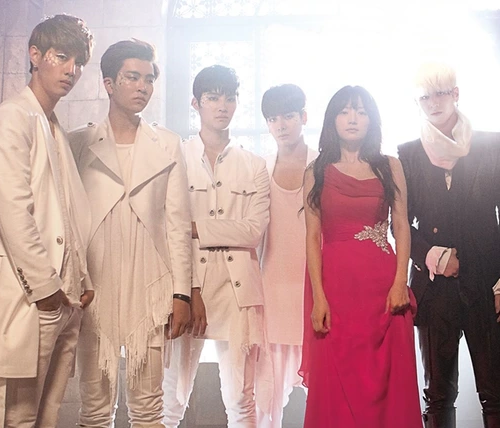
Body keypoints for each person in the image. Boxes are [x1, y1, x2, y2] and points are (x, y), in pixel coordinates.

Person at [0, 14, 94, 428]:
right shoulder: (12, 116)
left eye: (78, 62)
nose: (71, 70)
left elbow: (66, 213)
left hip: (64, 301)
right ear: (35, 55)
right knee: (12, 418)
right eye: (61, 57)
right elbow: (14, 211)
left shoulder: (53, 125)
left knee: (46, 418)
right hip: (31, 297)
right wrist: (47, 292)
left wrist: (81, 279)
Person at [69, 39, 192, 427]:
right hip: (95, 283)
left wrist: (182, 293)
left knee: (149, 407)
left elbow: (178, 224)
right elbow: (68, 221)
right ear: (109, 83)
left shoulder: (167, 143)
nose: (143, 87)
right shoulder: (78, 142)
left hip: (150, 281)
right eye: (133, 77)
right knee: (93, 407)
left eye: (149, 79)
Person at [397, 63, 500, 428]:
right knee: (437, 394)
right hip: (434, 290)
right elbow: (399, 223)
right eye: (424, 97)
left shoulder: (492, 144)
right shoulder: (408, 154)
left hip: (487, 283)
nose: (433, 103)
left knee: (497, 392)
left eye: (440, 93)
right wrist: (433, 256)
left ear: (455, 94)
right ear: (416, 102)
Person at [299, 85, 422, 427]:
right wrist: (318, 298)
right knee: (336, 385)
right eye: (344, 111)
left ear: (372, 120)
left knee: (390, 384)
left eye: (361, 112)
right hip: (335, 291)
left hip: (383, 289)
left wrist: (400, 283)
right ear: (332, 119)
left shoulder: (390, 166)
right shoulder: (315, 171)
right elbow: (312, 237)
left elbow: (402, 227)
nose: (353, 118)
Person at [162, 65, 271, 428]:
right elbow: (168, 228)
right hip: (186, 287)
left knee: (241, 399)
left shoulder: (254, 165)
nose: (222, 106)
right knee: (171, 399)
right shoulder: (174, 157)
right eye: (212, 98)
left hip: (238, 290)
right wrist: (189, 289)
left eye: (230, 98)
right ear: (196, 103)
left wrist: (195, 227)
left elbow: (253, 231)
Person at [256, 84, 318, 428]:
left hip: (315, 291)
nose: (281, 125)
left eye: (288, 116)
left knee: (323, 393)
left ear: (303, 117)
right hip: (272, 291)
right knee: (265, 398)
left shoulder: (324, 166)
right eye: (273, 118)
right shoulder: (261, 167)